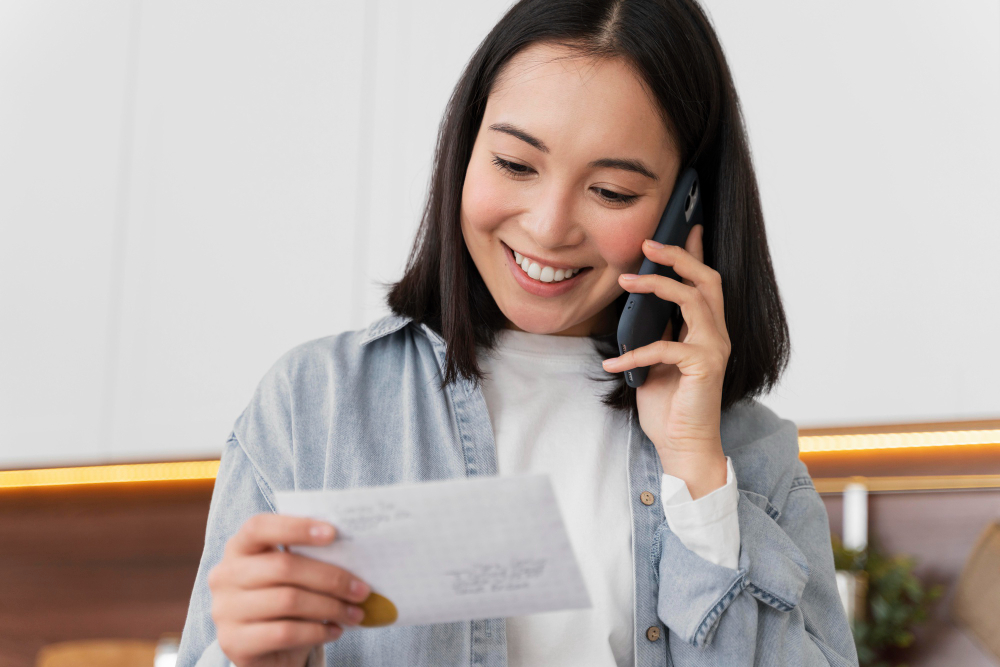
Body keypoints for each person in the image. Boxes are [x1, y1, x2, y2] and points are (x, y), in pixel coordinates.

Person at [177, 0, 859, 665]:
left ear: (688, 208)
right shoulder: (314, 407)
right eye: (515, 164)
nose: (548, 226)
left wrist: (696, 472)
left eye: (612, 191)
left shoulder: (748, 454)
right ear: (466, 150)